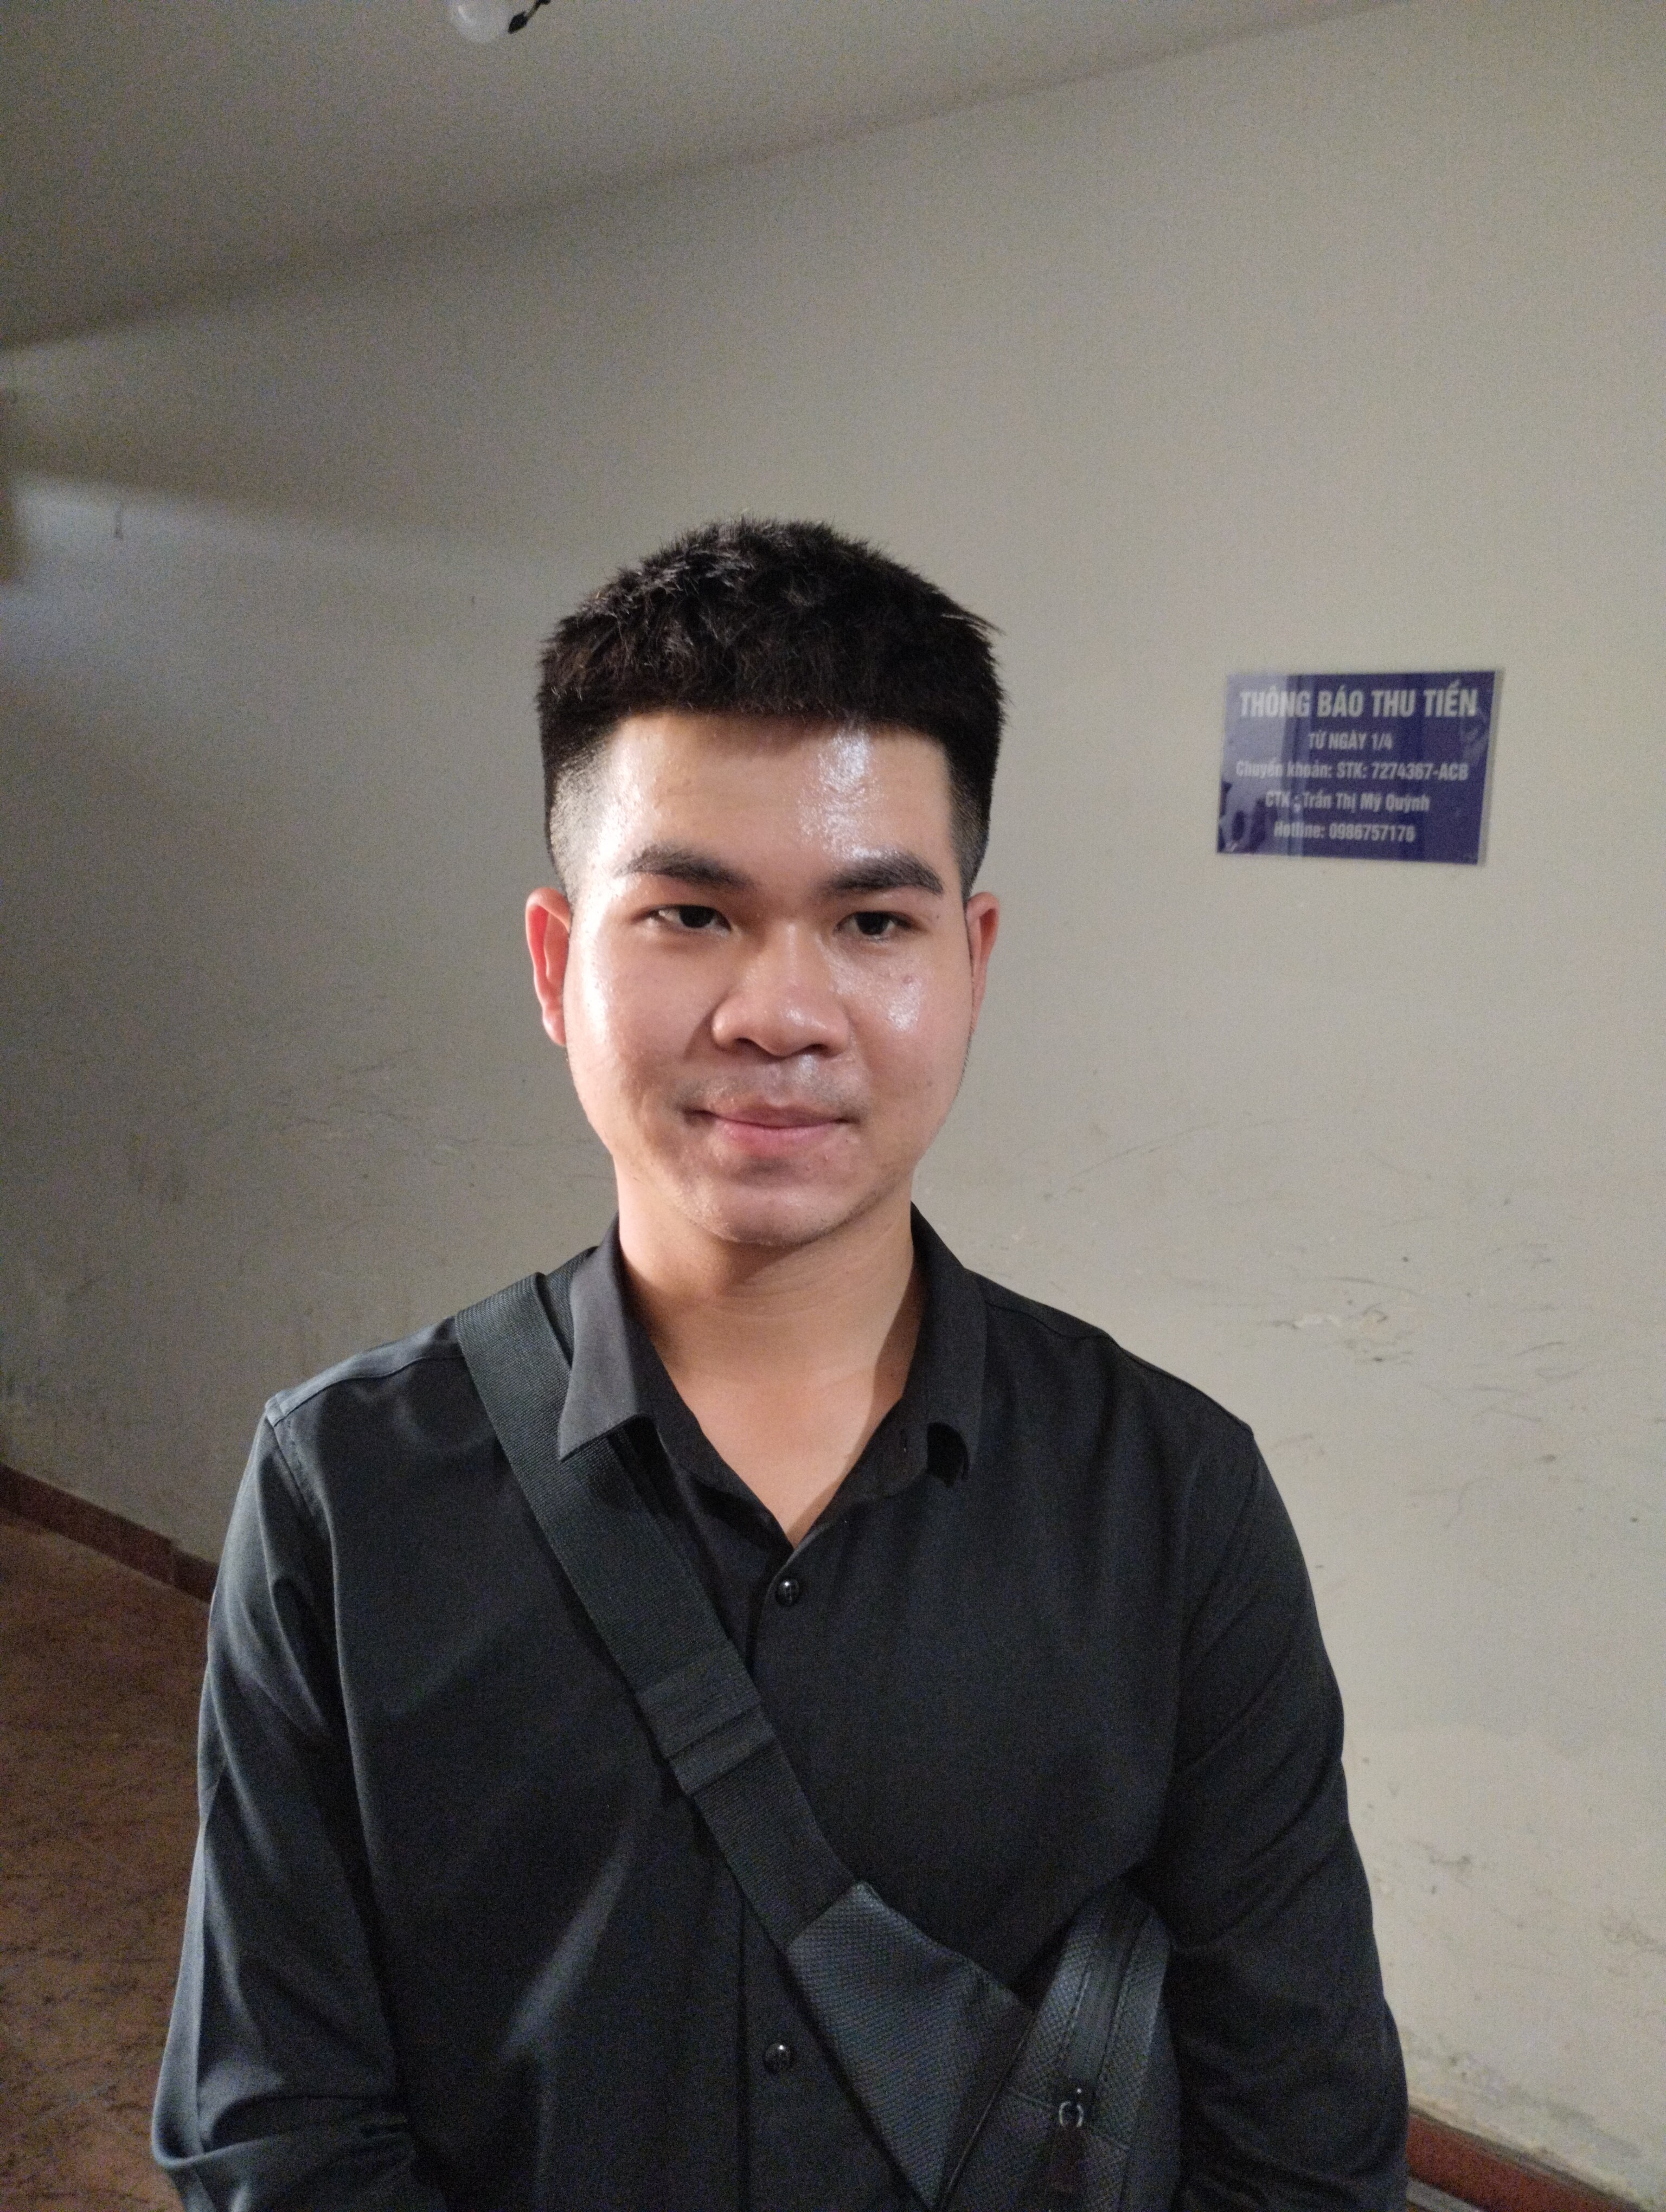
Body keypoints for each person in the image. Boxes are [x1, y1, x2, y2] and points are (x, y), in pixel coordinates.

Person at [153, 518, 1407, 2211]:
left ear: (971, 964)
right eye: (689, 912)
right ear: (557, 966)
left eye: (873, 922)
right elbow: (279, 2128)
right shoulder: (348, 1491)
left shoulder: (1172, 1498)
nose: (780, 1011)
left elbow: (1302, 2135)